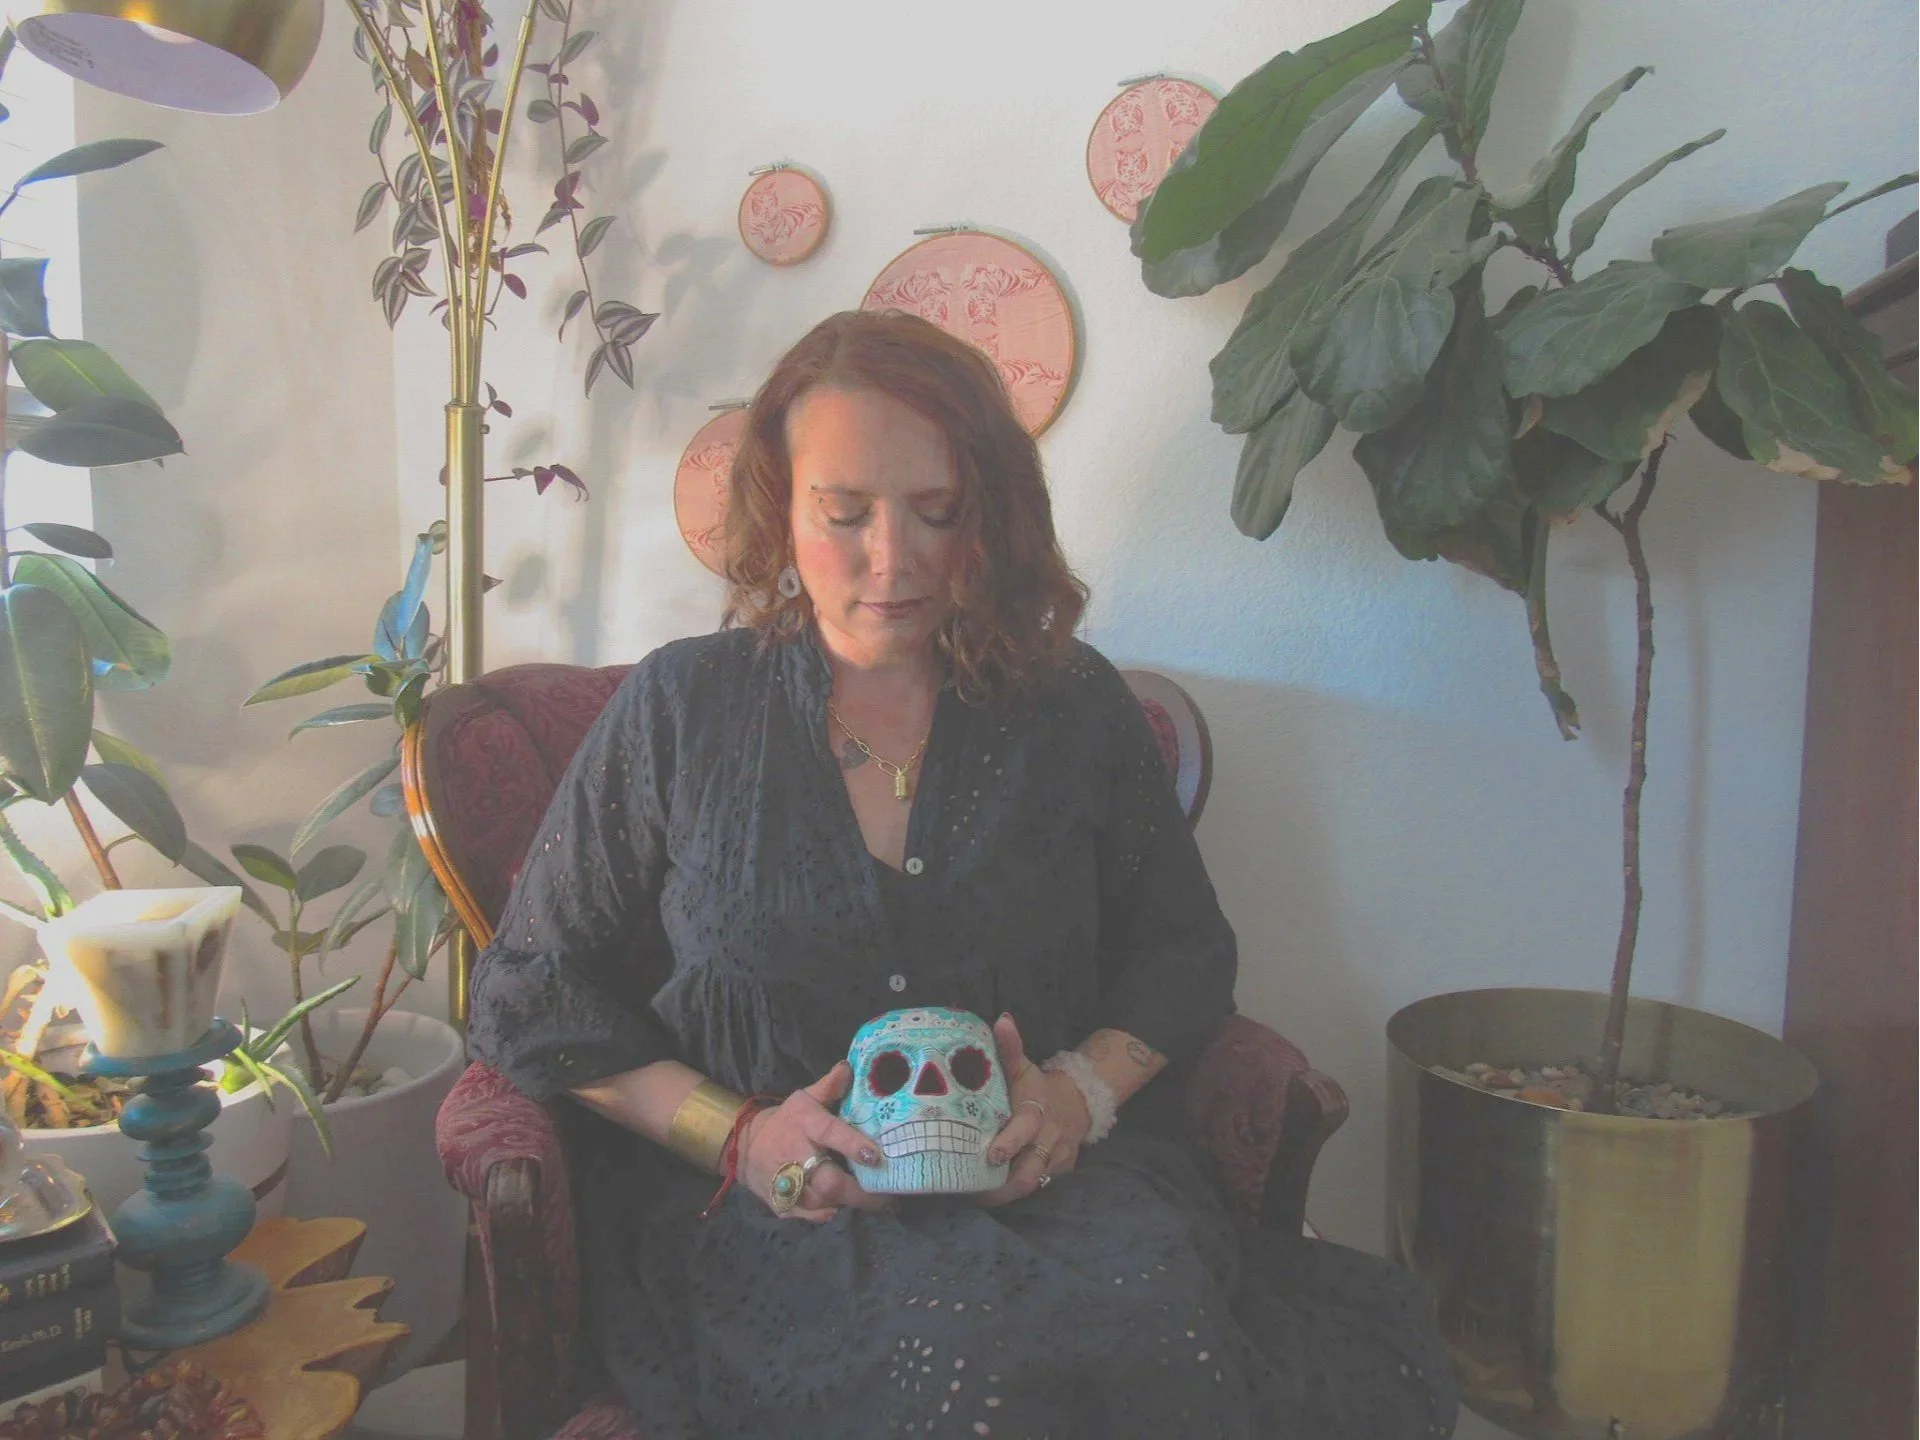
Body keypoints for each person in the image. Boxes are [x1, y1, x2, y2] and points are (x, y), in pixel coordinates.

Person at [466, 309, 1458, 1438]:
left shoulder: (1074, 706)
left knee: (1143, 1352)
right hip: (783, 1218)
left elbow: (1182, 953)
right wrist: (737, 1137)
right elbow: (529, 989)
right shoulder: (682, 710)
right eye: (844, 515)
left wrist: (1076, 1097)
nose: (895, 561)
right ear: (780, 509)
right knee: (957, 1384)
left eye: (938, 512)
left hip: (1059, 1199)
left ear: (990, 514)